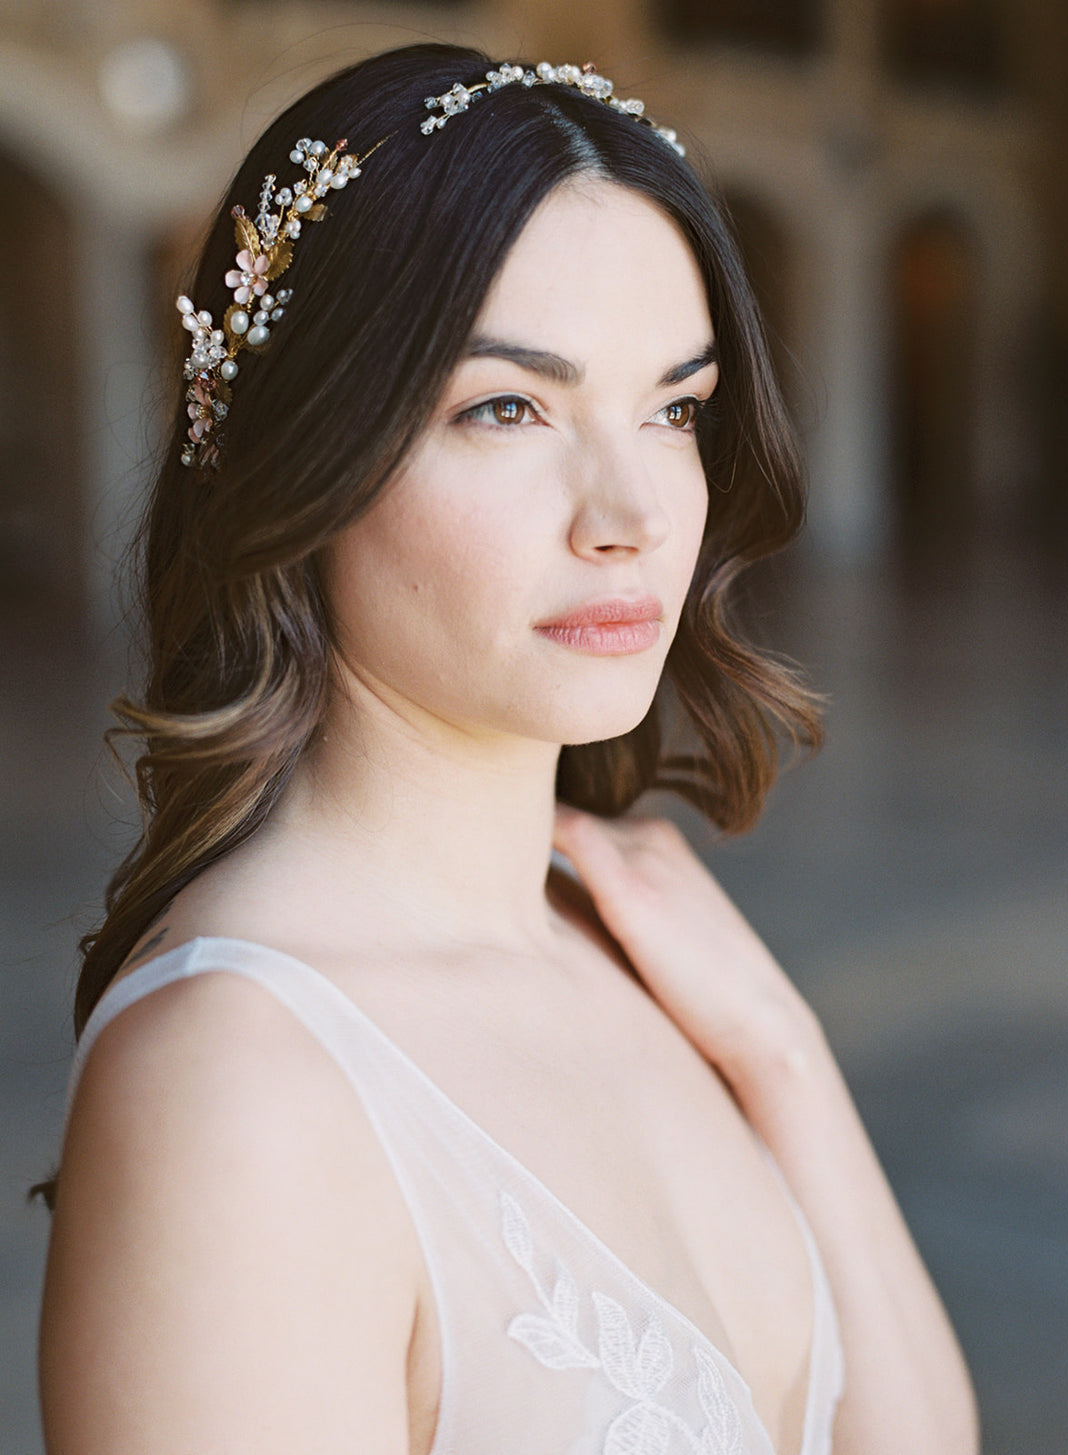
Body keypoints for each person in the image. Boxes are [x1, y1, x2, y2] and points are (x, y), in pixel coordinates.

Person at [38, 43, 978, 1455]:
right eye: (505, 408)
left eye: (675, 408)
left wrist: (784, 1055)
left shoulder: (653, 957)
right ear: (308, 454)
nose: (632, 512)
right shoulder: (237, 1090)